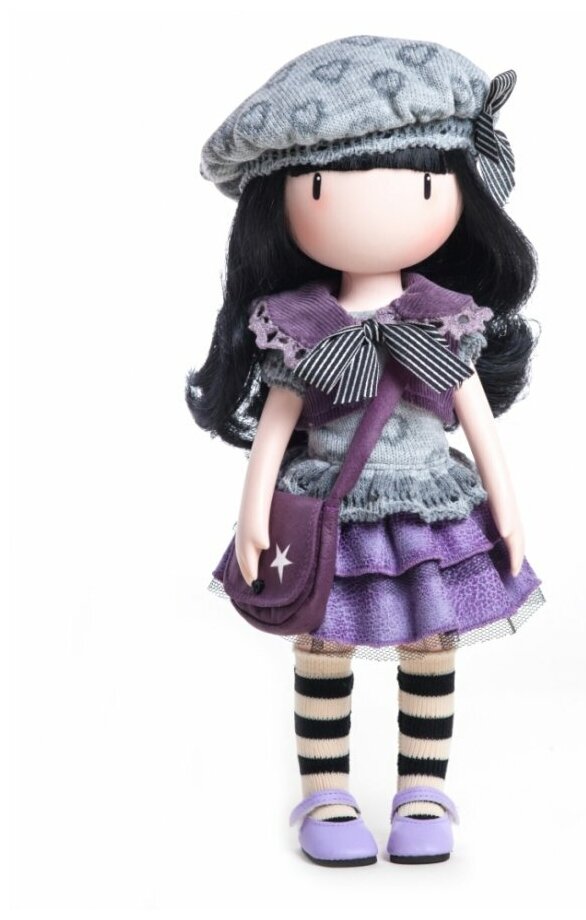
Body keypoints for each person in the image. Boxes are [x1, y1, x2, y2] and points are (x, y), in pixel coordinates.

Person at [187, 34, 546, 867]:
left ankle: (422, 790)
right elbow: (275, 429)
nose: (377, 208)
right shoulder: (301, 327)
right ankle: (325, 793)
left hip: (429, 507)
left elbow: (477, 421)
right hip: (333, 511)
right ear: (282, 200)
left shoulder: (445, 321)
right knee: (325, 642)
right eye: (325, 186)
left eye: (421, 182)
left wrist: (507, 507)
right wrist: (253, 516)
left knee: (432, 641)